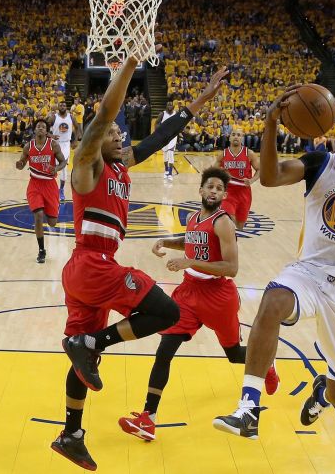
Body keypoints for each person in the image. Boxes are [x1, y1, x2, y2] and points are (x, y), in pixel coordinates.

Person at [49, 59, 230, 471]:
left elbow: (166, 132)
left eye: (121, 133)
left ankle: (71, 434)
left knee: (82, 361)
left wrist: (203, 98)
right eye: (114, 131)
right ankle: (90, 344)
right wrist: (130, 63)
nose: (120, 134)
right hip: (92, 264)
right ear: (98, 136)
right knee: (166, 311)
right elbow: (105, 116)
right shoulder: (87, 163)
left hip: (85, 273)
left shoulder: (119, 164)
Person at [213, 87, 335, 439]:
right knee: (272, 303)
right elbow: (270, 177)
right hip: (309, 273)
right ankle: (248, 409)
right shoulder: (321, 163)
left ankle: (323, 391)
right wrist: (271, 124)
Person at [118, 168, 279, 442]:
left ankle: (266, 364)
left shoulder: (224, 222)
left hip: (219, 296)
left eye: (219, 188)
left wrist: (191, 262)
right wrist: (165, 241)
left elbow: (232, 267)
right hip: (189, 293)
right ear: (201, 191)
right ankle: (148, 418)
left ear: (224, 195)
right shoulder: (193, 218)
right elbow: (190, 241)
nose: (214, 192)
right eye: (210, 187)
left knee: (232, 354)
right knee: (164, 350)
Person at [16, 120, 66, 263]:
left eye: (43, 127)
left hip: (50, 185)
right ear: (35, 130)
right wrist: (19, 165)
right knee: (38, 215)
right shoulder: (28, 146)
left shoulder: (53, 145)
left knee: (52, 223)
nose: (40, 129)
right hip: (35, 185)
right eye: (38, 126)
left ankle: (45, 209)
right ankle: (41, 250)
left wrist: (55, 169)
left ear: (46, 131)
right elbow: (22, 164)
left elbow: (63, 162)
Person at [214, 129, 260, 229]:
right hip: (228, 192)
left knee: (239, 227)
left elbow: (260, 170)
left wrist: (251, 180)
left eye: (238, 135)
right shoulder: (223, 154)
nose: (236, 136)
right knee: (229, 221)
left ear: (242, 138)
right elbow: (214, 172)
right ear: (229, 138)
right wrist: (221, 173)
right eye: (233, 134)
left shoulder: (249, 153)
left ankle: (233, 243)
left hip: (244, 193)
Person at [47, 102, 79, 201]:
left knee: (64, 166)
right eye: (60, 105)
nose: (62, 107)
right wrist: (51, 136)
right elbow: (45, 128)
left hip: (65, 144)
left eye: (64, 105)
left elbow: (77, 128)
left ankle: (61, 190)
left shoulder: (71, 117)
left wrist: (75, 140)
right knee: (52, 166)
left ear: (66, 107)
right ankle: (50, 189)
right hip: (54, 143)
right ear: (58, 107)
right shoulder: (53, 117)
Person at [160, 102, 179, 179]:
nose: (170, 106)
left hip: (173, 136)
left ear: (173, 106)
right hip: (164, 136)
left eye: (171, 105)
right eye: (168, 105)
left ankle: (170, 173)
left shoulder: (176, 114)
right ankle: (166, 170)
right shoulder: (162, 114)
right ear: (166, 106)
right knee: (165, 154)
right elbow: (157, 124)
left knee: (170, 152)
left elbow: (180, 123)